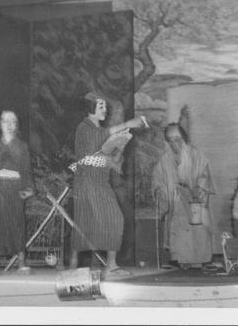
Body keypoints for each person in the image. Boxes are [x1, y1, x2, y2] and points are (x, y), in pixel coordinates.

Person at [69, 92, 144, 277]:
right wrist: (126, 124)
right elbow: (96, 140)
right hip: (87, 180)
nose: (105, 109)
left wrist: (120, 146)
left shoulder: (99, 130)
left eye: (104, 106)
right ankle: (76, 264)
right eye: (100, 106)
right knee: (89, 220)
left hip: (100, 180)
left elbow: (111, 160)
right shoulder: (83, 128)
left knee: (109, 218)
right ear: (90, 109)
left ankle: (109, 265)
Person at [151, 123, 216, 269]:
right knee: (178, 230)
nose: (174, 143)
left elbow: (204, 178)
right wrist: (160, 191)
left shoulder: (197, 157)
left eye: (177, 139)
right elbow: (157, 179)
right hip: (175, 203)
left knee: (197, 230)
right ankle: (179, 260)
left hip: (194, 204)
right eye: (170, 140)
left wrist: (197, 189)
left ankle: (201, 260)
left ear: (184, 138)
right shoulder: (165, 159)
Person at [0, 110, 34, 272]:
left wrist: (28, 189)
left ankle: (22, 263)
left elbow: (26, 169)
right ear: (0, 124)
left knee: (17, 223)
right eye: (5, 121)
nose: (9, 125)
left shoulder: (22, 146)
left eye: (13, 122)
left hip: (15, 188)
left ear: (17, 125)